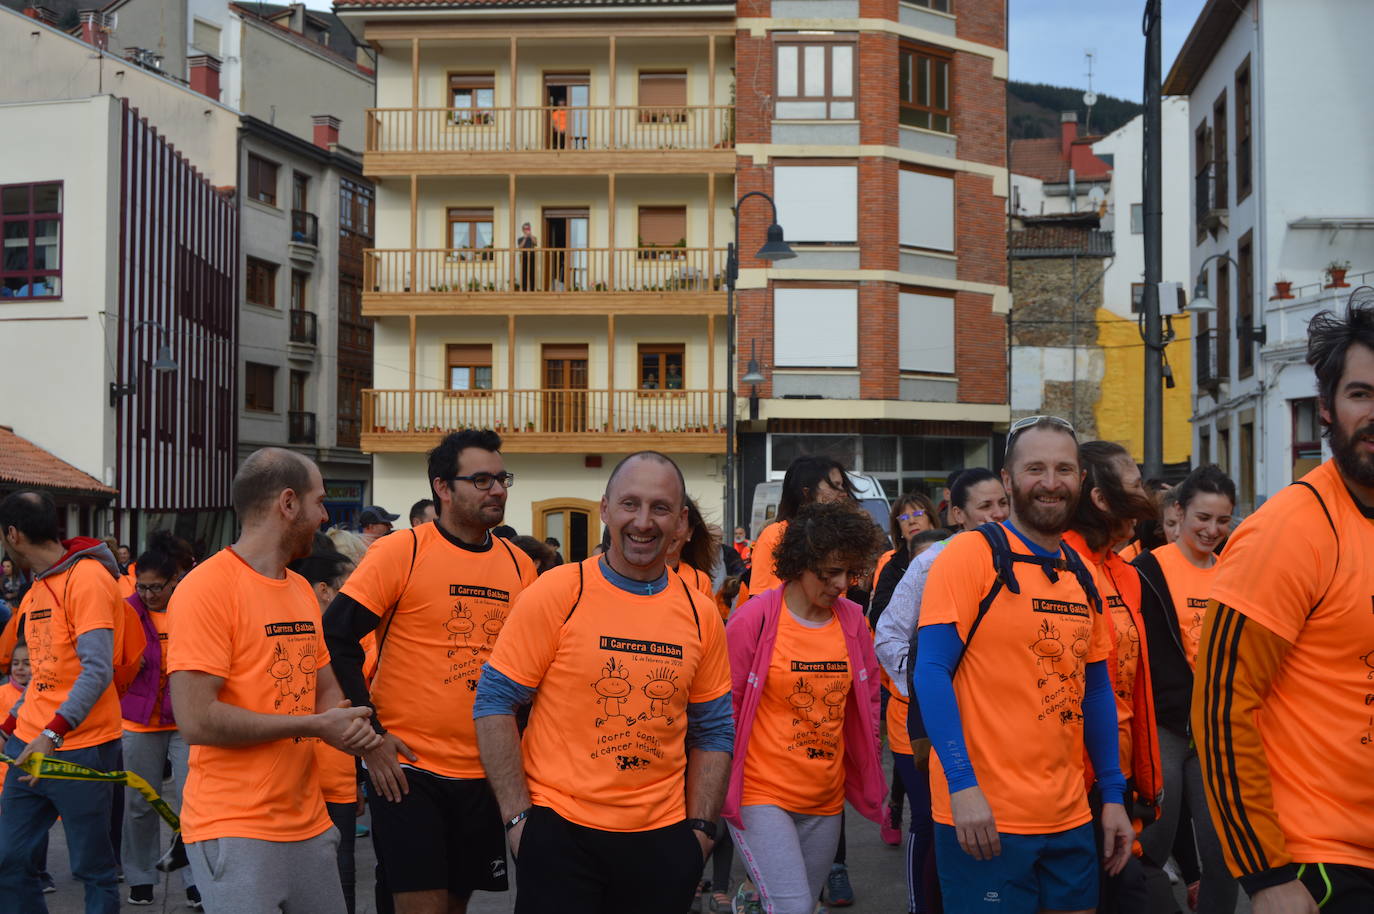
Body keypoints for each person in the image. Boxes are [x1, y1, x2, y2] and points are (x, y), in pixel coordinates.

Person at [474, 451, 734, 914]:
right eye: (630, 504)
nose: (643, 521)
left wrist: (700, 833)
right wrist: (517, 820)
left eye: (660, 508)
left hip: (664, 840)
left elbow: (714, 729)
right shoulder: (558, 592)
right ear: (606, 510)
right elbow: (494, 700)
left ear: (680, 522)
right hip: (559, 833)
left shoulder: (700, 612)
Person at [1190, 302, 1374, 913]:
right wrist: (1266, 876)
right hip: (1322, 864)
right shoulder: (1289, 532)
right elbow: (1220, 707)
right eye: (1361, 394)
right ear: (1326, 409)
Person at [914, 417, 1133, 913]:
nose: (1051, 483)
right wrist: (962, 785)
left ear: (1080, 480)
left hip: (1070, 817)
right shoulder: (970, 555)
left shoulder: (1083, 576)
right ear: (1009, 480)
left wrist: (1114, 796)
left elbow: (1095, 693)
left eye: (1064, 469)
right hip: (983, 818)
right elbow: (931, 672)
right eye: (1036, 468)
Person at [324, 430, 536, 914]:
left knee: (454, 907)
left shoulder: (520, 565)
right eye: (480, 479)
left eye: (501, 478)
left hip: (484, 771)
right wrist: (371, 736)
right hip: (409, 772)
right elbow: (337, 634)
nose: (497, 489)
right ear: (443, 487)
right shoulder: (403, 551)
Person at [167, 448, 383, 913]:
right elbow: (197, 720)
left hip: (308, 825)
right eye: (319, 502)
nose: (324, 516)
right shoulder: (206, 588)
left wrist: (368, 739)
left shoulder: (301, 589)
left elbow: (325, 694)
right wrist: (313, 725)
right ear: (288, 503)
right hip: (235, 826)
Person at [723, 501, 886, 914]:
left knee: (801, 903)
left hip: (824, 798)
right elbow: (725, 707)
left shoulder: (852, 620)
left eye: (849, 572)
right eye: (829, 572)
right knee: (795, 907)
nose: (840, 583)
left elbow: (866, 699)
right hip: (761, 794)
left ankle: (752, 897)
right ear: (798, 563)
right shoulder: (754, 620)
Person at [873, 467, 1010, 914]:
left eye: (1003, 504)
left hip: (1002, 730)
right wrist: (928, 688)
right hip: (935, 725)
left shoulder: (1026, 557)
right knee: (936, 827)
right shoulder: (933, 561)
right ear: (958, 514)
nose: (998, 515)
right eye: (985, 507)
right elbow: (888, 634)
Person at [0, 491, 126, 914]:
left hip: (80, 750)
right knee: (9, 860)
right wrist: (8, 727)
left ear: (12, 534)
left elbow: (97, 671)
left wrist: (53, 734)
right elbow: (43, 674)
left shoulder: (87, 578)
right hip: (27, 747)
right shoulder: (37, 589)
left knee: (93, 870)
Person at [1062, 442, 1165, 914]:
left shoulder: (1123, 573)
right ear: (1101, 499)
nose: (1144, 495)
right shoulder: (1063, 566)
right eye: (1134, 483)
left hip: (1119, 777)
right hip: (1076, 783)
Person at [1134, 464, 1239, 914]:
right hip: (1165, 729)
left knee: (1224, 855)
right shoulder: (1145, 569)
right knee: (1152, 847)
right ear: (1178, 512)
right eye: (1203, 517)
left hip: (1216, 732)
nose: (1212, 529)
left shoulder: (1235, 573)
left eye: (1222, 520)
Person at [119, 531, 200, 909]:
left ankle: (194, 878)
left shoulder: (193, 605)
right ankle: (140, 876)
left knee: (192, 802)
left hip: (186, 719)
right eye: (143, 587)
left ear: (174, 581)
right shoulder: (127, 609)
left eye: (157, 587)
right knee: (139, 802)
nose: (149, 594)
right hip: (139, 720)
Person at [291, 548, 364, 914]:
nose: (357, 590)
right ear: (324, 590)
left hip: (338, 782)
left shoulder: (355, 641)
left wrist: (358, 779)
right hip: (293, 782)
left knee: (340, 889)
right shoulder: (296, 635)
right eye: (348, 583)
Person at [750, 456, 856, 595]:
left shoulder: (841, 535)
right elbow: (761, 602)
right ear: (806, 492)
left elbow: (853, 595)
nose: (843, 493)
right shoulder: (776, 535)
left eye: (842, 485)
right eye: (835, 486)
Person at [517, 223, 538, 291]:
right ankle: (524, 290)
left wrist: (530, 235)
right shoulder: (520, 239)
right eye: (525, 229)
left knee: (532, 273)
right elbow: (520, 247)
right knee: (524, 274)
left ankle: (532, 289)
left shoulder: (533, 237)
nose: (527, 230)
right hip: (524, 256)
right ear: (523, 230)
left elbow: (535, 243)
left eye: (528, 228)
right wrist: (525, 238)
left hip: (532, 256)